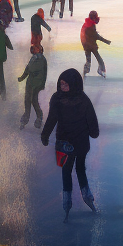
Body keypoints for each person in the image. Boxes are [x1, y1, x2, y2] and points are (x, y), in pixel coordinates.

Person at [41, 68, 100, 220]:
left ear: (74, 84)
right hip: (64, 142)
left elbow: (91, 118)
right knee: (66, 171)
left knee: (80, 169)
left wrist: (94, 132)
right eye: (61, 84)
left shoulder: (82, 99)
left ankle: (87, 197)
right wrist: (45, 133)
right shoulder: (57, 98)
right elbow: (52, 118)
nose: (63, 87)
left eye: (66, 84)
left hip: (80, 141)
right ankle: (67, 203)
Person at [17, 43, 48, 130]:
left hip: (36, 84)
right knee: (27, 100)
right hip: (30, 83)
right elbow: (28, 69)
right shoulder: (33, 58)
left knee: (33, 100)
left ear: (40, 50)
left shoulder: (42, 59)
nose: (33, 49)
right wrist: (22, 78)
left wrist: (41, 84)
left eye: (35, 48)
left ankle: (39, 116)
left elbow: (40, 72)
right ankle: (25, 119)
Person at [81, 10, 110, 78]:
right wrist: (106, 41)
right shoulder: (90, 26)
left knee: (89, 60)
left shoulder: (88, 24)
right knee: (99, 59)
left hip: (87, 45)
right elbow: (96, 36)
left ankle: (85, 71)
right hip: (90, 45)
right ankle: (101, 70)